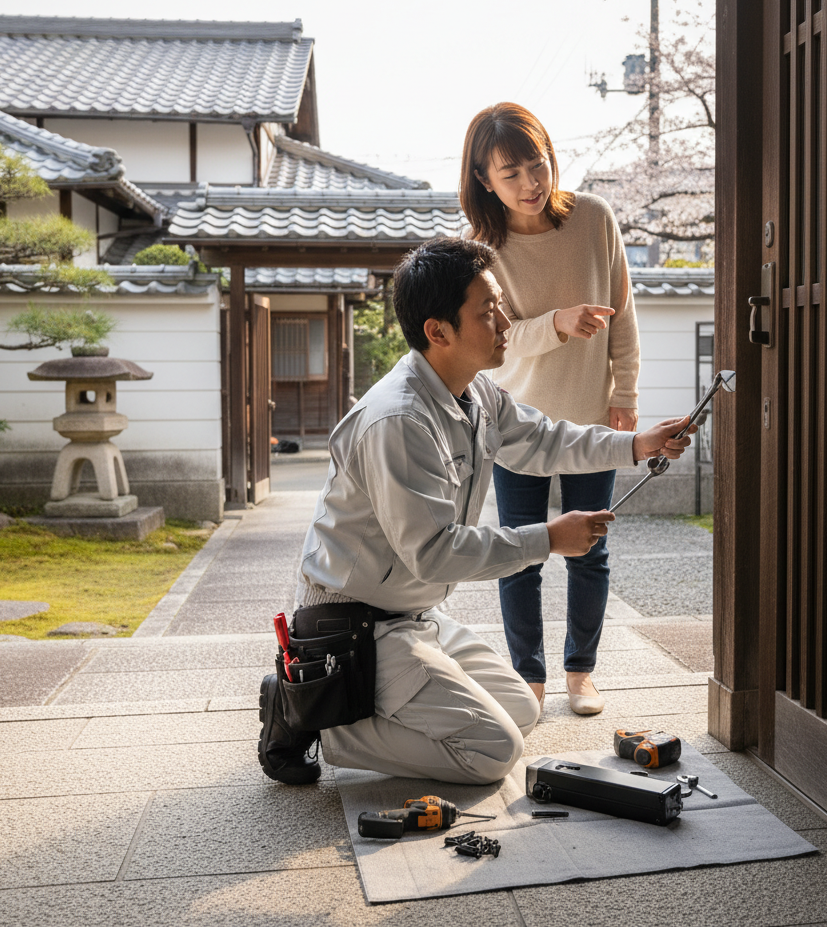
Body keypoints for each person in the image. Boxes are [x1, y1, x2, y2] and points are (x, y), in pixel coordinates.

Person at [257, 238, 694, 786]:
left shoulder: (477, 392)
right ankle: (322, 721)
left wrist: (637, 445)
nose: (506, 322)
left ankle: (357, 705)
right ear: (438, 332)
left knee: (521, 707)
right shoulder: (398, 421)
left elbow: (545, 440)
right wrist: (549, 539)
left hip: (416, 616)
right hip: (356, 626)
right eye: (487, 312)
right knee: (491, 753)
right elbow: (435, 553)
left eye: (501, 306)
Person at [459, 102, 639, 715]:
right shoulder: (481, 248)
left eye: (537, 164)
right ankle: (528, 680)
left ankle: (580, 672)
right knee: (522, 551)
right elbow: (495, 341)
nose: (531, 183)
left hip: (589, 415)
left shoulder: (593, 218)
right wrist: (557, 323)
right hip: (515, 422)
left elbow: (622, 314)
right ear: (484, 179)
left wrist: (625, 393)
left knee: (590, 547)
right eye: (511, 173)